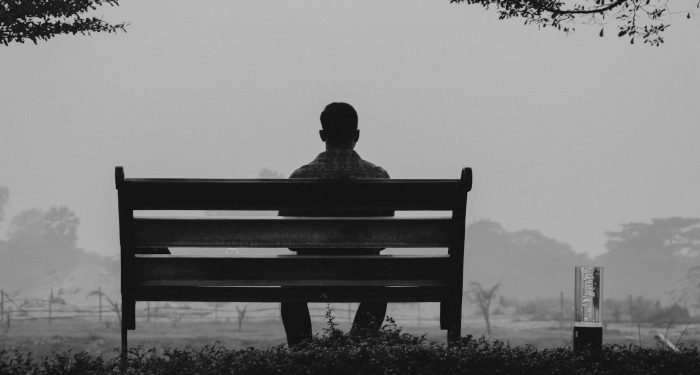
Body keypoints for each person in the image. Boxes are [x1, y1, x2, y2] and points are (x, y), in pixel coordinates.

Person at [279, 102, 392, 346]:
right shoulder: (378, 177)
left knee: (290, 287)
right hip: (363, 271)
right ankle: (357, 350)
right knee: (379, 288)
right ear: (357, 135)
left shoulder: (300, 178)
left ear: (322, 135)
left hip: (309, 271)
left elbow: (288, 238)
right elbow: (385, 235)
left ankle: (302, 353)